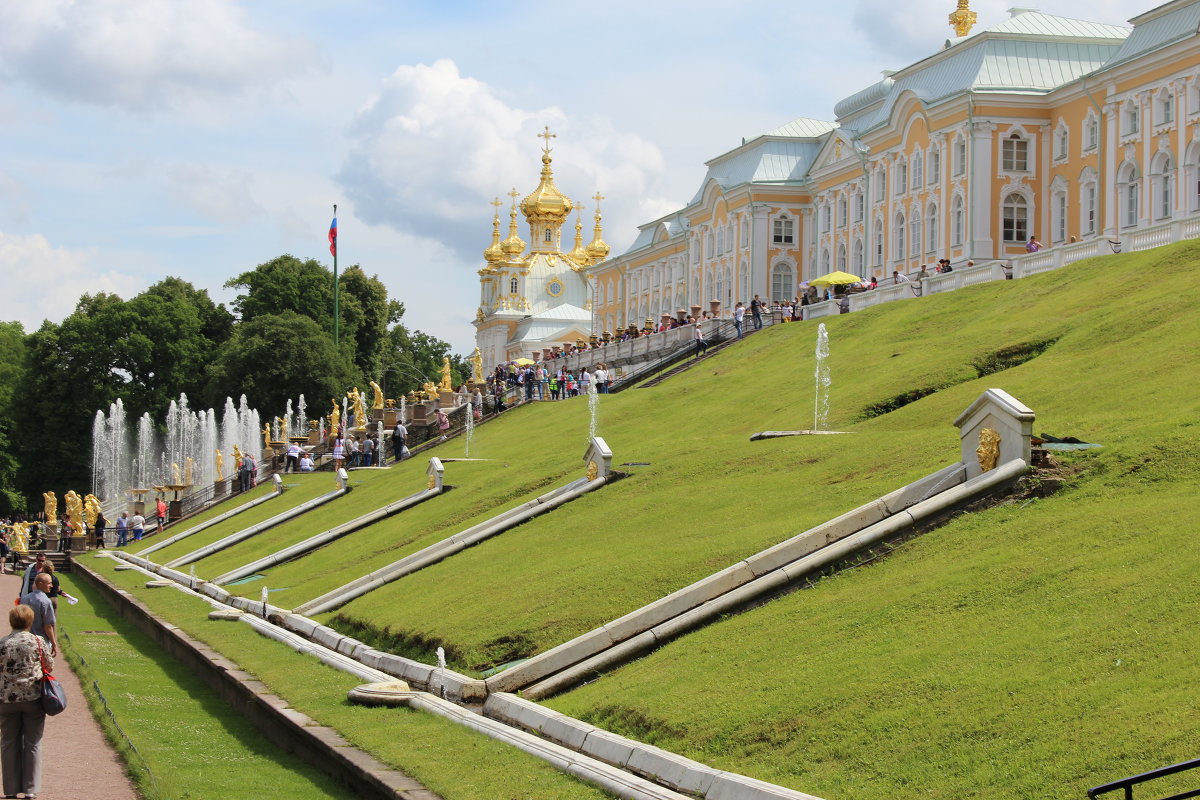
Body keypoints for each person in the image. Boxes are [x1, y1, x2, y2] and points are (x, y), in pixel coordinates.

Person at [0, 604, 51, 800]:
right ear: (30, 621)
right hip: (33, 697)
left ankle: (11, 790)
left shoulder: (3, 643)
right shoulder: (38, 641)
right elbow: (49, 665)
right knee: (33, 743)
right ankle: (30, 789)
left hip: (7, 698)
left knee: (8, 742)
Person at [20, 573, 57, 657]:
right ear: (40, 584)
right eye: (49, 583)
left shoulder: (25, 598)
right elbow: (48, 626)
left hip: (25, 640)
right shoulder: (45, 601)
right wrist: (54, 643)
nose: (51, 585)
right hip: (40, 643)